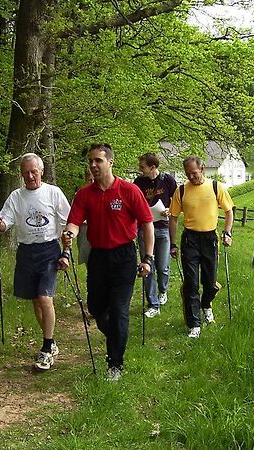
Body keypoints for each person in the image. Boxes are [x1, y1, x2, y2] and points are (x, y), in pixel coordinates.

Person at [60, 143, 154, 382]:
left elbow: (146, 224)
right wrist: (69, 234)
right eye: (91, 161)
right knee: (97, 308)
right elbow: (74, 221)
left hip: (123, 256)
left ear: (110, 163)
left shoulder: (129, 190)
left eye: (98, 161)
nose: (93, 165)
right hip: (98, 257)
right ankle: (117, 337)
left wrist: (148, 258)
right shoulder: (84, 194)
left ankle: (115, 363)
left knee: (120, 309)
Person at [0, 153, 70, 370]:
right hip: (26, 251)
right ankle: (50, 341)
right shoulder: (16, 196)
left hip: (49, 249)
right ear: (21, 174)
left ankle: (46, 348)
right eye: (26, 172)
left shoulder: (53, 193)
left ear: (41, 171)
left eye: (34, 171)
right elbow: (6, 223)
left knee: (45, 298)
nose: (30, 176)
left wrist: (66, 252)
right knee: (35, 300)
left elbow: (68, 223)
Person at [169, 155, 234, 339]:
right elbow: (173, 218)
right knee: (191, 284)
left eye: (194, 173)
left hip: (210, 239)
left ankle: (206, 305)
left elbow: (229, 212)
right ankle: (194, 324)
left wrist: (227, 232)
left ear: (202, 169)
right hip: (190, 239)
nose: (191, 178)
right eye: (188, 174)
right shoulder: (181, 191)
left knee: (210, 283)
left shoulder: (216, 187)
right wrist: (173, 244)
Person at [134, 152, 177, 318]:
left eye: (143, 167)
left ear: (152, 167)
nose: (140, 169)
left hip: (163, 226)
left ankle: (163, 290)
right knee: (147, 266)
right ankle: (153, 303)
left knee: (162, 266)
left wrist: (170, 210)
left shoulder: (167, 180)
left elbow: (177, 200)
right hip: (145, 228)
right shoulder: (139, 182)